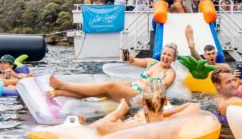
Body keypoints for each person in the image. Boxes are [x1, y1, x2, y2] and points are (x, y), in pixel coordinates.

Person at [48, 43, 179, 103]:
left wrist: (144, 82)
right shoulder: (151, 62)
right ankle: (59, 92)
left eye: (169, 55)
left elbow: (162, 86)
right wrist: (125, 54)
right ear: (161, 54)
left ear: (173, 58)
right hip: (132, 86)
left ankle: (64, 86)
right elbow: (132, 60)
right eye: (164, 53)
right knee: (100, 90)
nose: (165, 57)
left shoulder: (170, 73)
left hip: (140, 95)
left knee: (108, 87)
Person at [77, 81, 202, 135]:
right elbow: (194, 105)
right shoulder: (172, 121)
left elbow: (98, 128)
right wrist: (165, 113)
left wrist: (120, 111)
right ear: (165, 102)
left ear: (143, 101)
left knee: (117, 120)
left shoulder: (135, 125)